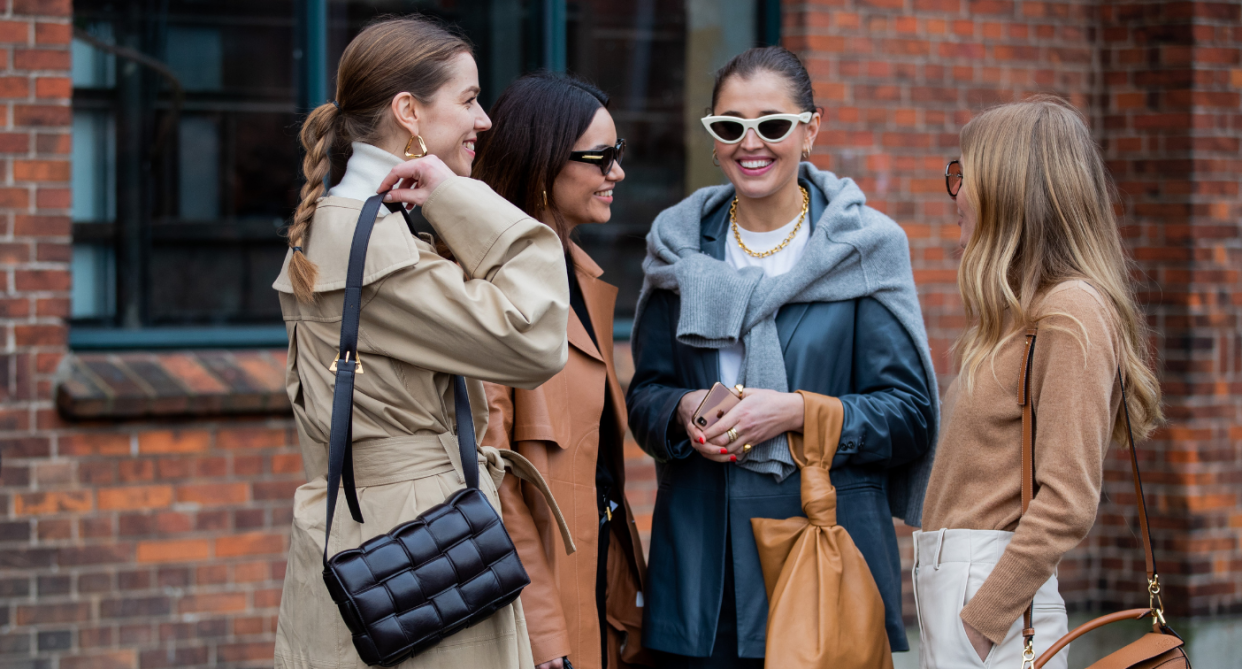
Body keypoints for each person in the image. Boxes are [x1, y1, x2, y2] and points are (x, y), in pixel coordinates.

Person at [271, 17, 570, 669]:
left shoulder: (346, 224)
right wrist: (462, 198)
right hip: (418, 551)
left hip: (379, 539)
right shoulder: (371, 236)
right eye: (467, 99)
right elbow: (536, 335)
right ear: (408, 111)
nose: (484, 120)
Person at [626, 46, 939, 667]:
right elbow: (645, 396)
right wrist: (683, 409)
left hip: (824, 554)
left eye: (772, 124)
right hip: (700, 571)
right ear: (712, 137)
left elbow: (909, 416)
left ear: (810, 129)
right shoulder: (677, 247)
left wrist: (796, 412)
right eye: (730, 126)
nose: (751, 143)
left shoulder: (864, 247)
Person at [916, 96, 1163, 669]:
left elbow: (1069, 499)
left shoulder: (1072, 311)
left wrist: (979, 623)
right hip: (962, 593)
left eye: (964, 174)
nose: (955, 192)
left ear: (1009, 188)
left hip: (992, 607)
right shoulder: (1019, 319)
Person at [473, 72, 650, 669]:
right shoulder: (487, 283)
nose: (616, 173)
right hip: (538, 599)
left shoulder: (580, 276)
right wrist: (545, 629)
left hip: (597, 576)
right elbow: (491, 477)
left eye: (618, 155)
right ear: (541, 163)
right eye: (601, 157)